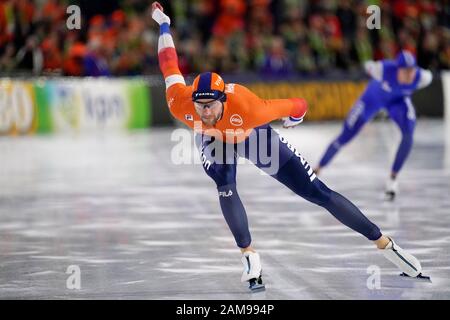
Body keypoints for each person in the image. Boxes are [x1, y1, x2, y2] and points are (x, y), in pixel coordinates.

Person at [150, 2, 427, 291]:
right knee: (224, 180)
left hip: (250, 133)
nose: (204, 113)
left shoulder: (250, 108)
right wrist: (164, 24)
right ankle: (248, 255)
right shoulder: (180, 103)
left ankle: (385, 243)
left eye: (210, 106)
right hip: (214, 141)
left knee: (315, 191)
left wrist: (295, 119)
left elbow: (299, 104)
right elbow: (169, 63)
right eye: (200, 106)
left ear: (223, 99)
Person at [314, 51, 433, 200]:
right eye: (406, 71)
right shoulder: (382, 69)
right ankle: (317, 169)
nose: (410, 75)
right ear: (397, 69)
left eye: (412, 70)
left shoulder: (422, 77)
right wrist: (358, 74)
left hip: (397, 102)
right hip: (371, 99)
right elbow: (367, 66)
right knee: (346, 135)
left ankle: (392, 179)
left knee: (409, 133)